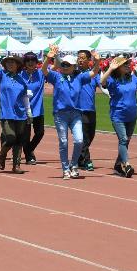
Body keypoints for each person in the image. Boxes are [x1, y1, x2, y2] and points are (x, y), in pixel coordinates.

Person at [42, 46, 98, 179]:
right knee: (64, 142)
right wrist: (48, 58)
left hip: (75, 114)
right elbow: (44, 70)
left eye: (68, 65)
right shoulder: (56, 76)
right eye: (63, 64)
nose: (65, 66)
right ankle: (65, 168)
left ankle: (74, 165)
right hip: (60, 114)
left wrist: (97, 61)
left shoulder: (79, 77)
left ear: (73, 66)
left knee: (79, 140)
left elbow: (94, 72)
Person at [100, 54, 137, 178]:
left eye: (128, 63)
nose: (129, 65)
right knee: (123, 139)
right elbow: (102, 82)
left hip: (132, 115)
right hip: (118, 115)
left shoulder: (132, 78)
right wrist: (110, 69)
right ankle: (127, 164)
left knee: (126, 141)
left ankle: (118, 165)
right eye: (125, 64)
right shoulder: (113, 79)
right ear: (118, 67)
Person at [0, 42, 30, 173]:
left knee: (20, 140)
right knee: (10, 138)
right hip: (7, 113)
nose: (10, 64)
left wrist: (29, 112)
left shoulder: (23, 79)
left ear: (18, 65)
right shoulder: (2, 76)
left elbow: (25, 97)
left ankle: (16, 165)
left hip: (21, 114)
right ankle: (2, 155)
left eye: (13, 62)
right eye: (8, 62)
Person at [75, 49, 100, 171]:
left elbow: (102, 85)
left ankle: (79, 158)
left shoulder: (93, 74)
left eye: (83, 58)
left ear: (89, 60)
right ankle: (86, 160)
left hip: (91, 109)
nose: (80, 60)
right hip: (79, 109)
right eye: (79, 57)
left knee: (90, 136)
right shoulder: (74, 73)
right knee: (84, 137)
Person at [21, 51, 45, 165]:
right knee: (26, 135)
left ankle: (29, 149)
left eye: (33, 60)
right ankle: (29, 156)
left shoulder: (41, 74)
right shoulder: (20, 75)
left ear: (36, 62)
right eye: (28, 60)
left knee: (40, 133)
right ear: (24, 62)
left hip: (38, 109)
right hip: (24, 109)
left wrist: (52, 56)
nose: (30, 63)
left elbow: (55, 66)